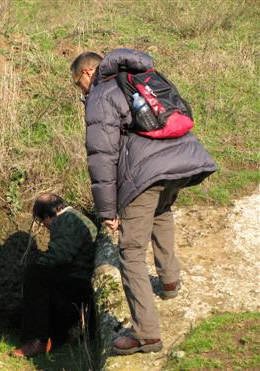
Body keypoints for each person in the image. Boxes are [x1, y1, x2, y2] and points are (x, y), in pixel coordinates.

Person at [70, 49, 217, 355]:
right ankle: (169, 281)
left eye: (78, 84)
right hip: (183, 159)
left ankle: (146, 333)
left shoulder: (101, 95)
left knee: (130, 252)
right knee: (161, 211)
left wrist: (107, 210)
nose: (80, 91)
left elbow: (102, 157)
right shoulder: (141, 78)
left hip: (147, 171)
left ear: (87, 73)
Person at [12, 193, 97, 358]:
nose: (46, 226)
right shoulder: (77, 217)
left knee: (35, 274)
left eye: (43, 222)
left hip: (79, 287)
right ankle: (57, 337)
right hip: (84, 288)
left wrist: (38, 263)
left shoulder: (64, 220)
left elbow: (60, 256)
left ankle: (39, 340)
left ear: (46, 216)